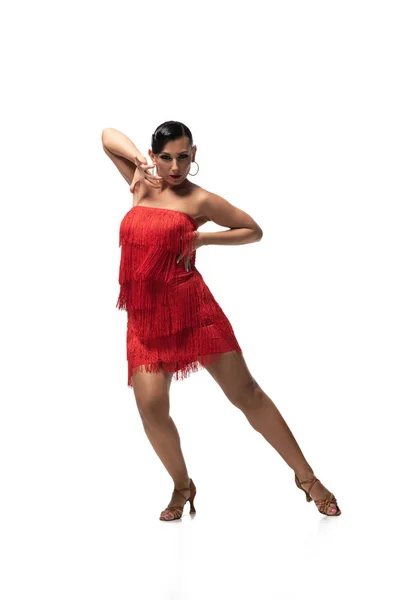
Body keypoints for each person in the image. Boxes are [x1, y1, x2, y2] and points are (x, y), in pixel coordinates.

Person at [101, 121, 341, 521]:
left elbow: (253, 230)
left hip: (194, 311)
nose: (174, 166)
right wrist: (141, 164)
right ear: (154, 155)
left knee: (247, 393)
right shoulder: (141, 183)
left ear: (194, 154)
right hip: (145, 318)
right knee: (151, 408)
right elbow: (107, 136)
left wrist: (201, 239)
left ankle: (308, 479)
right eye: (166, 157)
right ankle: (182, 486)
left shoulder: (199, 199)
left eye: (182, 156)